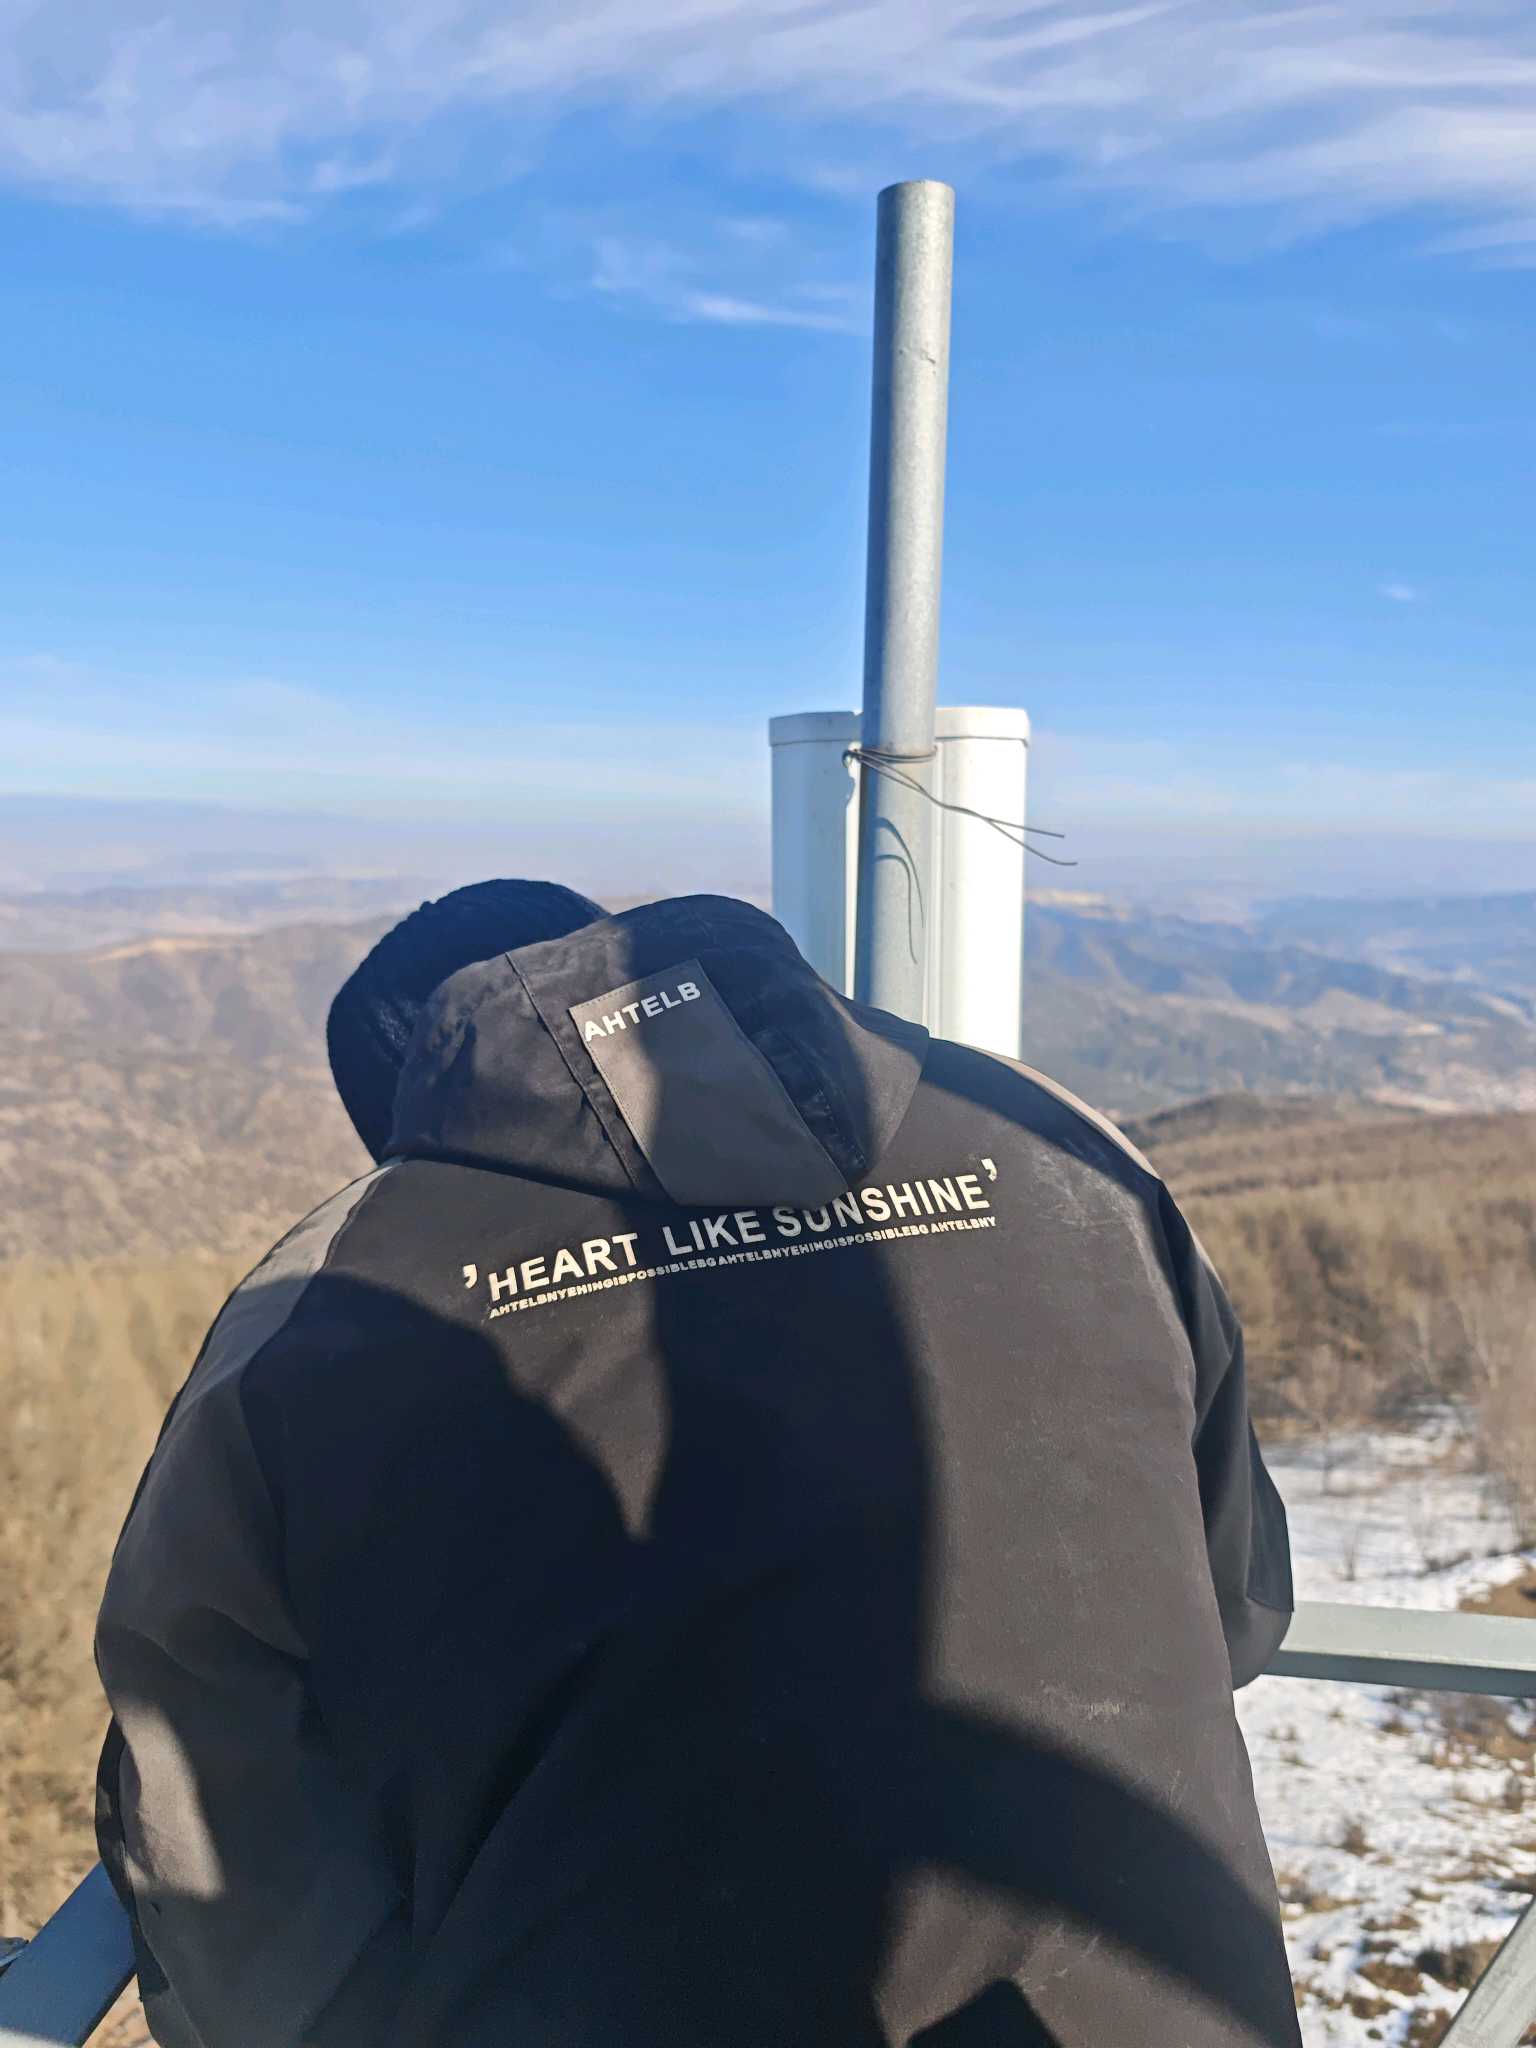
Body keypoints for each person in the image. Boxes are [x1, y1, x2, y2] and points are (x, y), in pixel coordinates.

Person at [95, 882, 1299, 2048]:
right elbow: (1239, 1604)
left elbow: (211, 1825)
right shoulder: (1068, 1151)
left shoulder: (315, 1309)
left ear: (419, 1110)